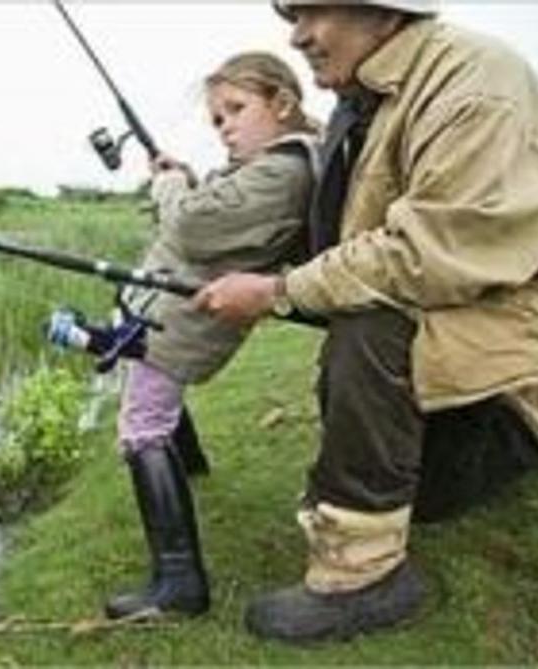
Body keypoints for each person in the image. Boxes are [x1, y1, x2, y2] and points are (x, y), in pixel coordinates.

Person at [192, 0, 538, 642]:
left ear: (383, 13)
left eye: (313, 12)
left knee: (370, 322)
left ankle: (362, 577)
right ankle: (388, 499)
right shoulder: (366, 100)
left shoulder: (475, 84)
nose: (298, 35)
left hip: (516, 390)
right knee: (430, 498)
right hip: (462, 365)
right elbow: (346, 240)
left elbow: (429, 252)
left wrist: (278, 291)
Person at [104, 51, 320, 620]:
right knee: (152, 401)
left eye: (235, 109)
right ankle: (190, 467)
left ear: (283, 102)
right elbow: (225, 214)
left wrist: (171, 186)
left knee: (142, 426)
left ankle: (179, 585)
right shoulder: (277, 165)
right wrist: (190, 179)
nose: (224, 125)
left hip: (180, 322)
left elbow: (195, 224)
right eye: (216, 118)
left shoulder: (285, 169)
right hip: (165, 314)